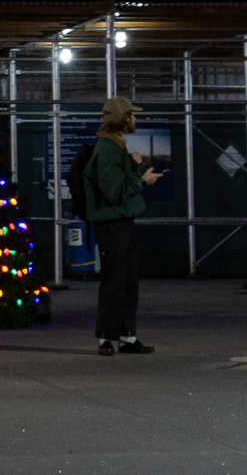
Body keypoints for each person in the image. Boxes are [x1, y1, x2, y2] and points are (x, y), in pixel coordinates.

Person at [82, 96, 163, 357]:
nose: (135, 119)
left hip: (121, 221)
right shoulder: (108, 148)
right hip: (112, 223)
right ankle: (106, 339)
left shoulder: (115, 146)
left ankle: (127, 337)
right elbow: (114, 191)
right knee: (114, 281)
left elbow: (114, 181)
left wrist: (129, 164)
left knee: (127, 281)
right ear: (123, 119)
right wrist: (143, 180)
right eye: (132, 115)